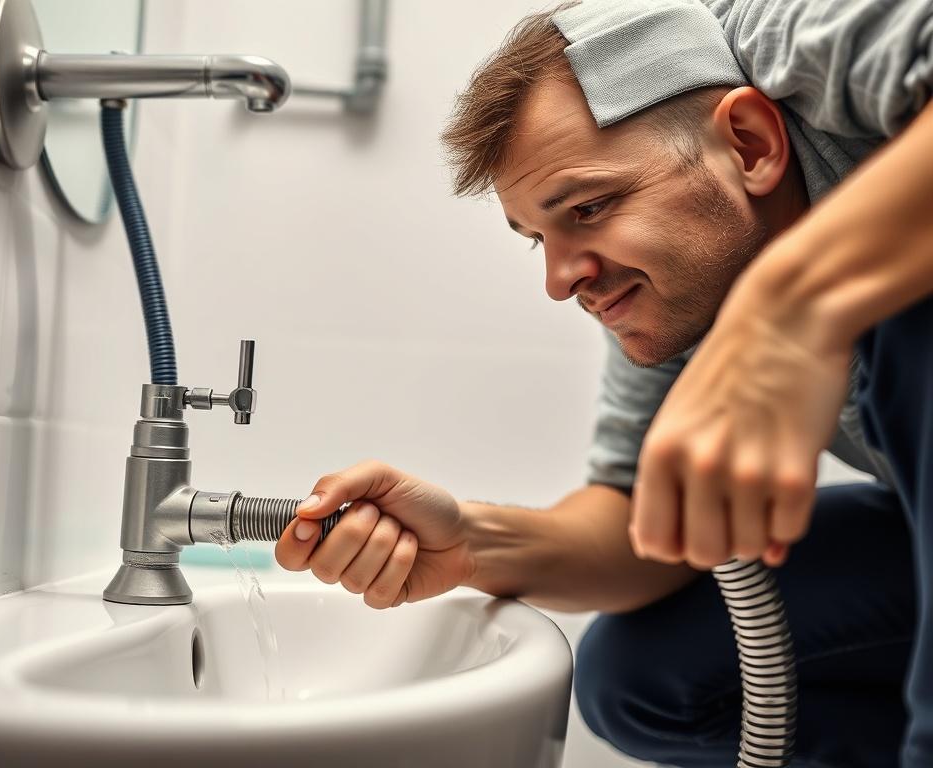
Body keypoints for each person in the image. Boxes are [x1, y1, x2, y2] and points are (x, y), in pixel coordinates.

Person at [275, 1, 933, 765]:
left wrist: (785, 311)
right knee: (644, 675)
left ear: (749, 144)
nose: (561, 281)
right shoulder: (686, 284)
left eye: (589, 207)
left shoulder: (808, 34)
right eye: (538, 241)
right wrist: (473, 543)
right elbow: (632, 520)